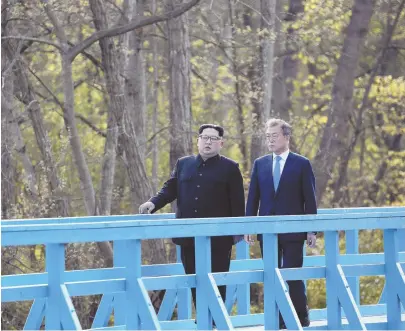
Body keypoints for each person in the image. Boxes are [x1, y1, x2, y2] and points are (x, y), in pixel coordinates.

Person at [139, 124, 245, 308]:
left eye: (213, 139)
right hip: (188, 236)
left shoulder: (230, 168)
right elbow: (170, 189)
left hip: (218, 238)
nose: (208, 142)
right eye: (204, 137)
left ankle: (215, 322)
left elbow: (237, 204)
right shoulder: (183, 164)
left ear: (221, 143)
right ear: (198, 140)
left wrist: (238, 233)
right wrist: (153, 203)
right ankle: (203, 321)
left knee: (216, 281)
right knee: (194, 280)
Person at [246, 118, 317, 328]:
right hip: (267, 232)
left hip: (294, 231)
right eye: (267, 136)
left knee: (292, 275)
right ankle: (277, 320)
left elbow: (310, 199)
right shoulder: (260, 164)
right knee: (271, 275)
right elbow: (253, 198)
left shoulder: (301, 163)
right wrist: (249, 226)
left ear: (286, 136)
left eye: (274, 136)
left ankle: (300, 318)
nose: (270, 140)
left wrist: (311, 229)